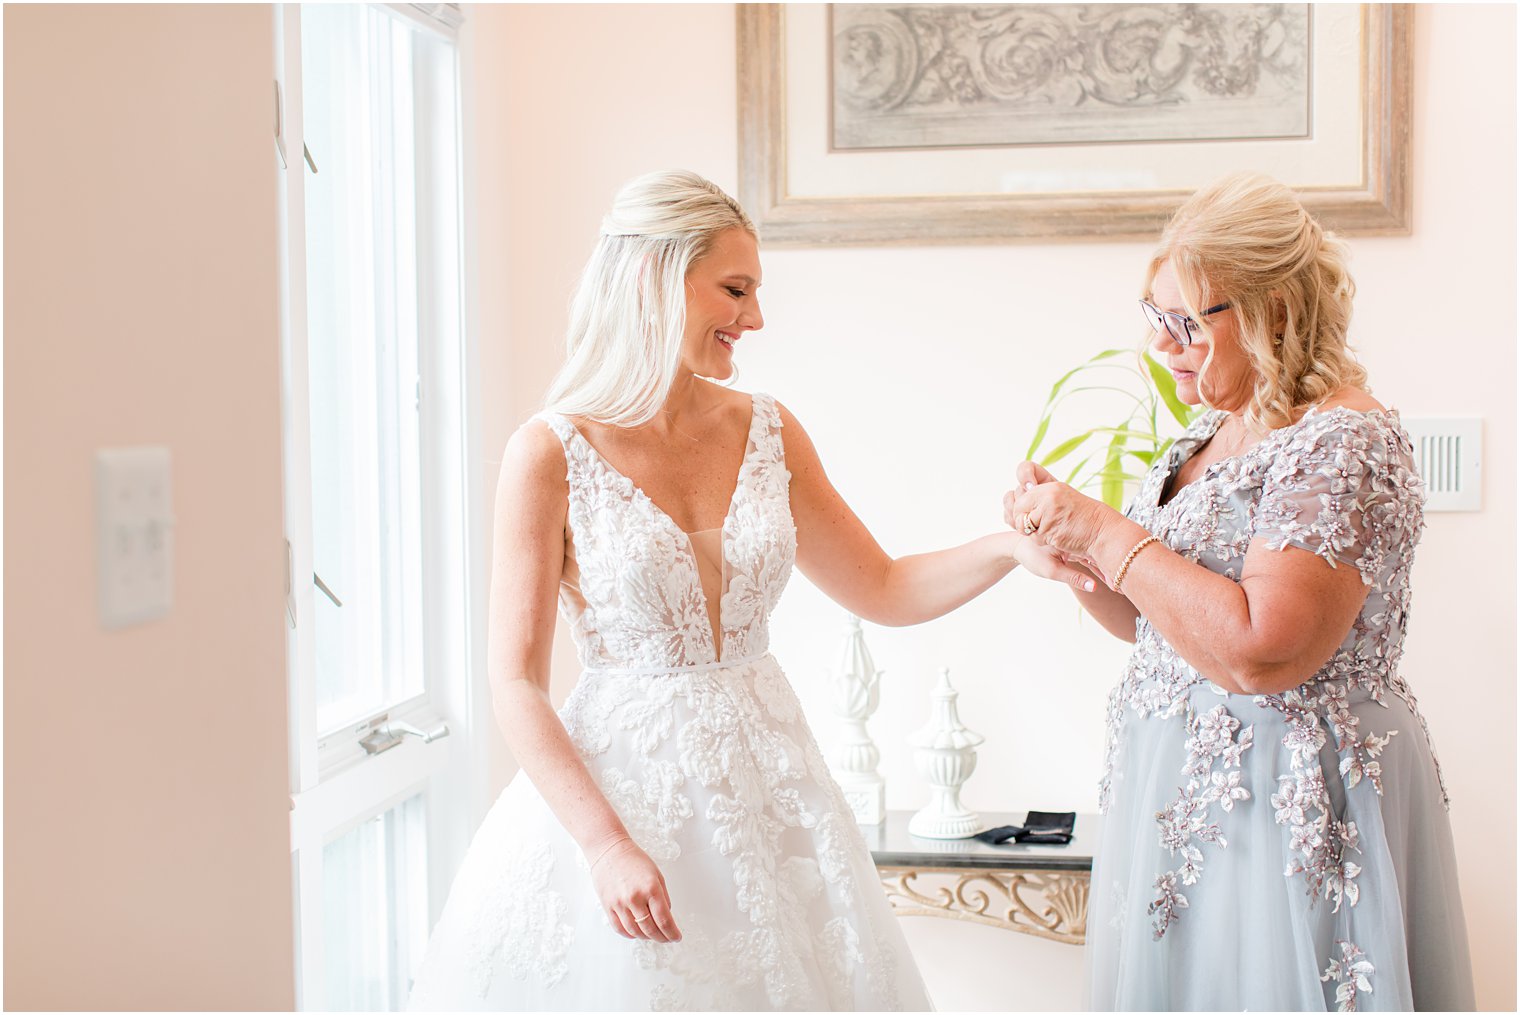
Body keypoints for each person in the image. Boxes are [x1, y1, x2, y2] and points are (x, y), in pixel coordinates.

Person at [408, 170, 1085, 1011]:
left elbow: (881, 585)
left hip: (773, 797)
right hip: (619, 801)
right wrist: (604, 843)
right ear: (656, 276)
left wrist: (1007, 550)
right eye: (734, 289)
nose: (754, 318)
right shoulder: (548, 452)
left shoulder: (767, 427)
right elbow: (514, 679)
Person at [1005, 173, 1474, 1011]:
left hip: (1290, 795)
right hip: (1178, 792)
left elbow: (1263, 650)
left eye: (1187, 323)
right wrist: (1071, 556)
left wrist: (1106, 532)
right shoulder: (1205, 430)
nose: (1164, 346)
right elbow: (1156, 620)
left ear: (1276, 313)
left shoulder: (1341, 440)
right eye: (1157, 317)